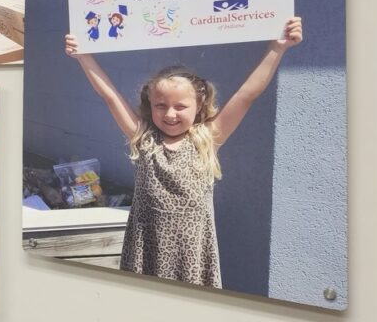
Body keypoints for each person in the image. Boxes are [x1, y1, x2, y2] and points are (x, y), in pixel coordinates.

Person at [64, 16, 304, 288]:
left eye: (180, 106)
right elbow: (109, 95)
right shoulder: (143, 139)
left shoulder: (206, 139)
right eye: (161, 105)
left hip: (191, 254)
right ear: (149, 105)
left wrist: (277, 48)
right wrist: (83, 56)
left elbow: (246, 95)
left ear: (199, 106)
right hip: (147, 247)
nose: (170, 114)